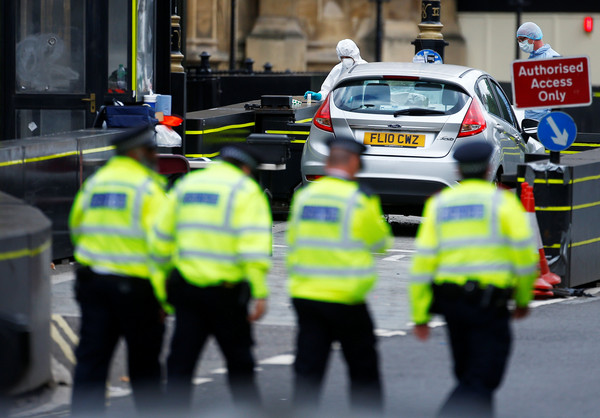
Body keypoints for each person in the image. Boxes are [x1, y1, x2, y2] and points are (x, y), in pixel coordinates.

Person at [408, 140, 539, 417]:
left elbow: (423, 263)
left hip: (451, 305)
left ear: (458, 170)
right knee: (482, 380)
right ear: (489, 168)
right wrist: (524, 299)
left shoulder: (439, 204)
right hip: (489, 306)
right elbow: (525, 258)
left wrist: (420, 314)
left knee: (468, 375)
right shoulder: (502, 203)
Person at [149, 144, 272, 415]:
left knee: (181, 362)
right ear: (246, 168)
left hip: (186, 290)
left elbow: (160, 242)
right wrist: (260, 292)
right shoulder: (246, 191)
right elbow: (253, 248)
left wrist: (159, 294)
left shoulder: (187, 186)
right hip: (226, 295)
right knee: (240, 363)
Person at [286, 136, 392, 415]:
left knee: (308, 370)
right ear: (354, 162)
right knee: (363, 370)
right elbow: (380, 242)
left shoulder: (305, 196)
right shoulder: (360, 198)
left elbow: (294, 240)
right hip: (346, 298)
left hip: (307, 294)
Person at [68, 125, 167, 416]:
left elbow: (76, 226)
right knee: (145, 367)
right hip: (137, 290)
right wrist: (163, 298)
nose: (155, 156)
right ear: (138, 153)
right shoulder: (149, 188)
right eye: (152, 151)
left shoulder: (96, 183)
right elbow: (162, 248)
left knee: (91, 361)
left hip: (93, 283)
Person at [516, 22, 560, 121]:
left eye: (522, 39)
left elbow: (558, 93)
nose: (520, 43)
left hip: (546, 121)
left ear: (533, 37)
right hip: (530, 120)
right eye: (518, 40)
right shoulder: (530, 60)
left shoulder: (553, 58)